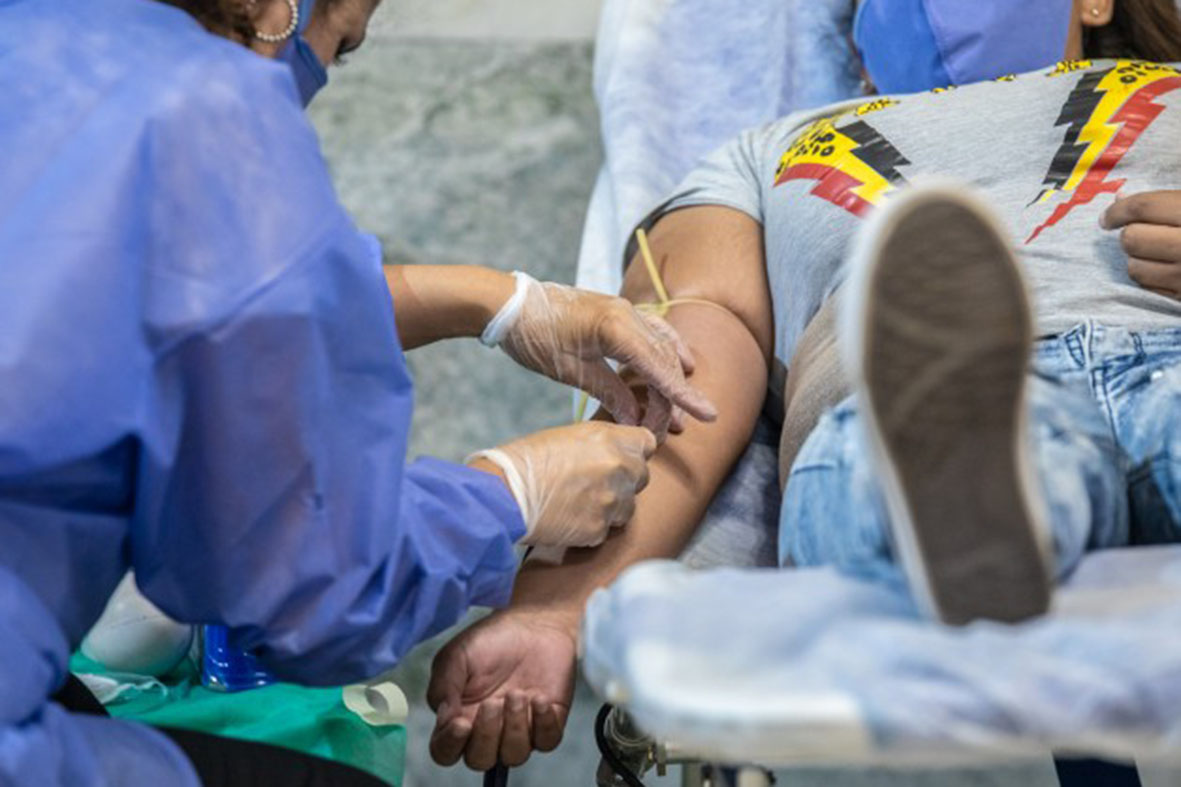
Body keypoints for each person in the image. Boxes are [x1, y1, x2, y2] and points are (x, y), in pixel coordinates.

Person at [425, 0, 1181, 772]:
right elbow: (681, 370)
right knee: (929, 458)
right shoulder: (760, 153)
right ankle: (990, 494)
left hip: (1163, 356)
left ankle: (1005, 523)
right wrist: (554, 610)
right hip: (907, 417)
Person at [0, 0, 720, 783]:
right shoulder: (206, 115)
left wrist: (496, 302)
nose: (307, 83)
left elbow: (120, 298)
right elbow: (301, 589)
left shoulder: (41, 44)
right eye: (336, 47)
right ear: (273, 11)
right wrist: (509, 496)